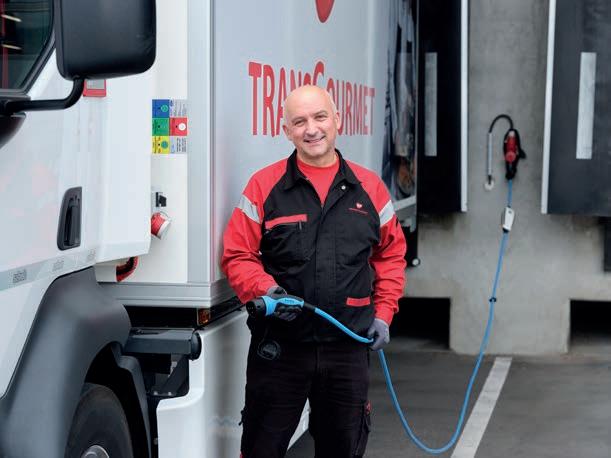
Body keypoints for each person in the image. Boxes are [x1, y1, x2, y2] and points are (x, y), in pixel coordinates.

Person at [221, 85, 407, 458]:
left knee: (342, 449)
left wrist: (384, 312)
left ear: (337, 120)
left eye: (320, 117)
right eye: (299, 121)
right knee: (261, 449)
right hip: (280, 347)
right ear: (286, 130)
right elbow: (237, 254)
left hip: (347, 346)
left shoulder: (369, 188)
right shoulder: (264, 185)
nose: (311, 129)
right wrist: (265, 289)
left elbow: (390, 254)